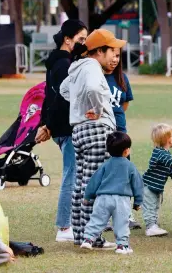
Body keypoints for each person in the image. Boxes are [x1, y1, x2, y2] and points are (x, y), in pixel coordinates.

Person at [59, 28, 126, 248]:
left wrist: (80, 106)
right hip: (96, 129)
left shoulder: (76, 67)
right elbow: (92, 89)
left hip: (78, 130)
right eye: (112, 51)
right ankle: (93, 237)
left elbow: (64, 89)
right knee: (94, 186)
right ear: (98, 51)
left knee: (81, 186)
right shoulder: (91, 66)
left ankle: (81, 235)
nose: (115, 57)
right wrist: (96, 109)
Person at [35, 19, 88, 243]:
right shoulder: (63, 65)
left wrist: (48, 124)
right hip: (67, 127)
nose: (84, 43)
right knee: (72, 176)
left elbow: (49, 96)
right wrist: (49, 125)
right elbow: (60, 99)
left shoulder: (61, 62)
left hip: (62, 126)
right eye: (81, 39)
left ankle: (72, 223)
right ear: (68, 39)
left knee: (76, 174)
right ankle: (65, 226)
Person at [80, 132, 143, 254]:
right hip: (122, 200)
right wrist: (138, 202)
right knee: (121, 223)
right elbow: (137, 184)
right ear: (126, 151)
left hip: (103, 198)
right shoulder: (130, 166)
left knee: (97, 220)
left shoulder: (106, 164)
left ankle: (88, 239)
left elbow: (94, 180)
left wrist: (88, 196)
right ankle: (122, 246)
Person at [102, 47, 140, 230]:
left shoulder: (122, 78)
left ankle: (126, 214)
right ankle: (106, 215)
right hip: (104, 133)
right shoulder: (97, 77)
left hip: (121, 133)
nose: (115, 59)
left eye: (118, 56)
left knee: (125, 172)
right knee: (107, 173)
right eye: (112, 55)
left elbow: (124, 104)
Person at [142, 123, 172, 236]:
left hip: (156, 187)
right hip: (149, 186)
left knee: (155, 206)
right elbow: (170, 162)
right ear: (168, 139)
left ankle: (153, 225)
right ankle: (150, 227)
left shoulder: (164, 153)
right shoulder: (160, 153)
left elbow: (169, 169)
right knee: (150, 206)